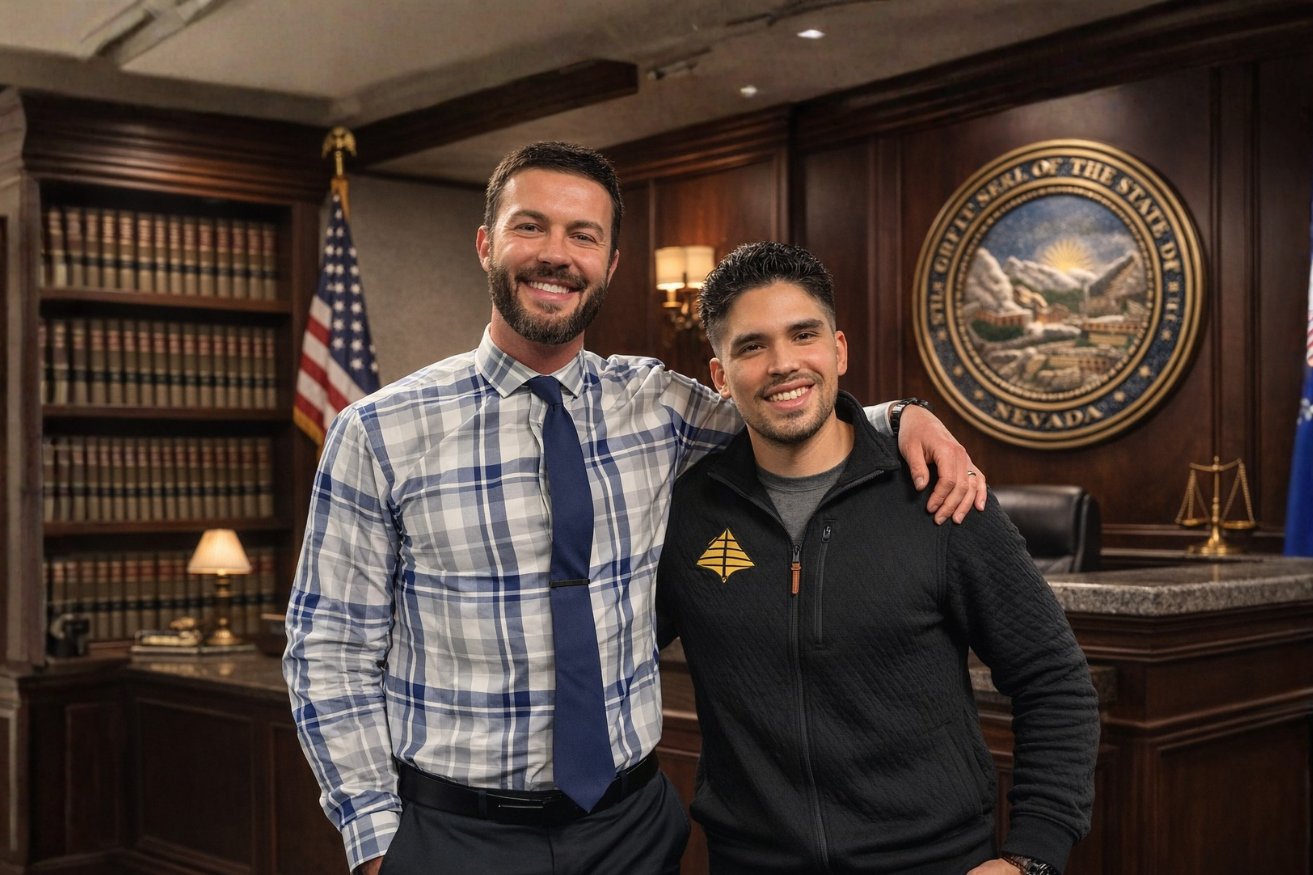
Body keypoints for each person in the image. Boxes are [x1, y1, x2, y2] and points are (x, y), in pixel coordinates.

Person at [284, 142, 989, 875]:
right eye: (530, 227)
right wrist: (374, 843)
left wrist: (900, 415)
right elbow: (328, 650)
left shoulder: (658, 406)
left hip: (630, 833)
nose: (556, 254)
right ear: (486, 243)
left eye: (582, 235)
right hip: (456, 837)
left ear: (611, 263)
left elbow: (787, 415)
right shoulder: (377, 431)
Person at [655, 242, 1099, 875]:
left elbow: (1053, 680)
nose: (783, 364)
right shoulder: (688, 511)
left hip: (934, 861)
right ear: (721, 375)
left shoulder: (941, 490)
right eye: (752, 346)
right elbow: (615, 652)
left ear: (838, 350)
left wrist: (1032, 856)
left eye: (802, 335)